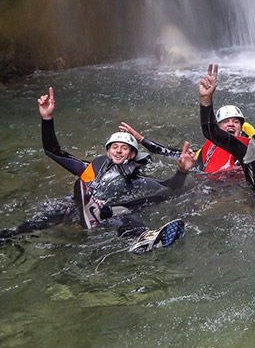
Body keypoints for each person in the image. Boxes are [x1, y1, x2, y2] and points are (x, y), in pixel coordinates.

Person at [0, 87, 196, 253]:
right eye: (114, 147)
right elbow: (53, 151)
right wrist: (47, 118)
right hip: (76, 207)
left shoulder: (137, 180)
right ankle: (7, 235)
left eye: (124, 148)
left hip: (107, 214)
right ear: (108, 151)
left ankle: (144, 239)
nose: (118, 150)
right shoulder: (88, 168)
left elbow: (171, 189)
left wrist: (182, 171)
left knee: (124, 216)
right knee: (42, 218)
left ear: (131, 155)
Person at [119, 104, 255, 176]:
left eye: (236, 122)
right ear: (217, 128)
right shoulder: (207, 152)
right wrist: (140, 139)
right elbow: (169, 153)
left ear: (241, 126)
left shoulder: (254, 146)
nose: (231, 124)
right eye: (226, 122)